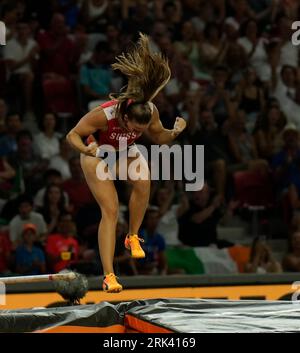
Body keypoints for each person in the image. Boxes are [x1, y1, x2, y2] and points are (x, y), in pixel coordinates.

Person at [66, 33, 186, 292]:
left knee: (144, 180)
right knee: (110, 211)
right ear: (124, 117)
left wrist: (174, 132)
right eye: (133, 127)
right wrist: (86, 152)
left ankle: (132, 236)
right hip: (96, 152)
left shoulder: (148, 110)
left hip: (122, 151)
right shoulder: (104, 114)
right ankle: (109, 276)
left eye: (140, 129)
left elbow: (159, 137)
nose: (137, 130)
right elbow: (72, 135)